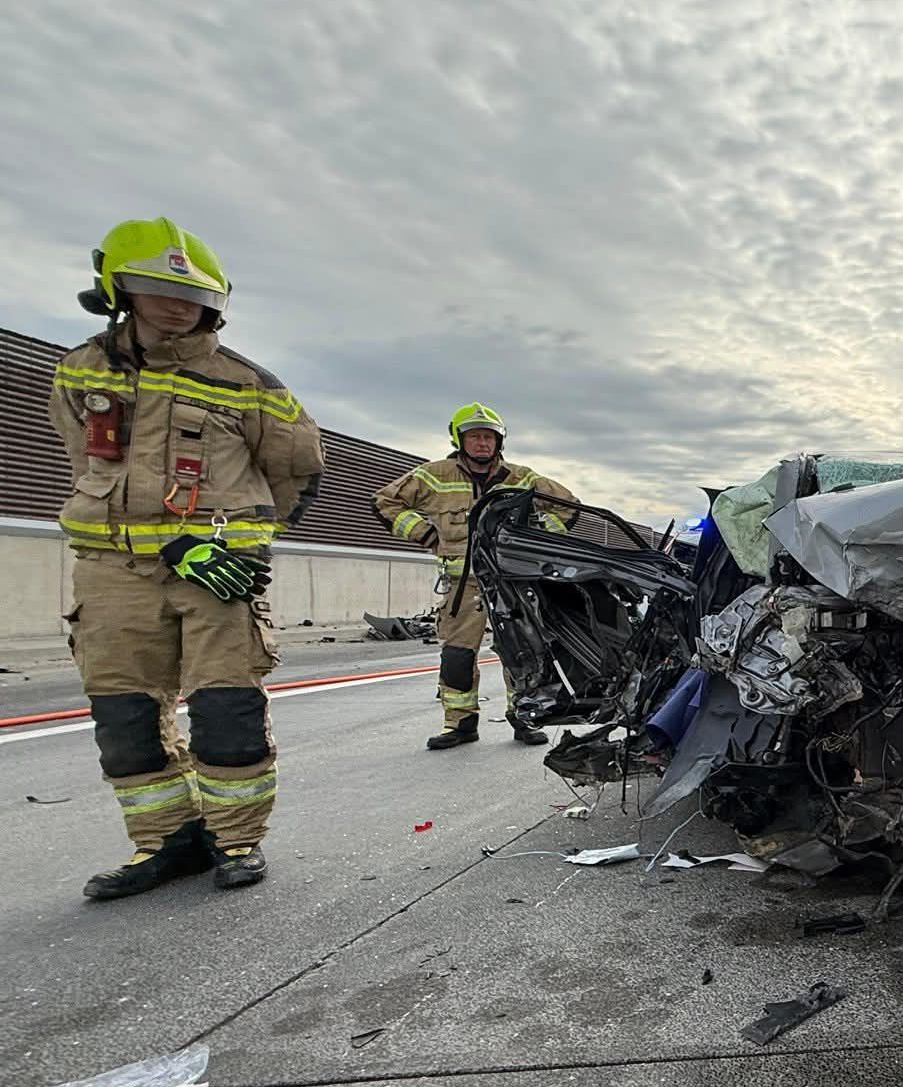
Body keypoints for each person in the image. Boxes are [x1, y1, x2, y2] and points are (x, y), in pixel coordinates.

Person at [49, 218, 325, 900]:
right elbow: (83, 461)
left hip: (213, 574)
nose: (176, 306)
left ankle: (236, 841)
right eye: (157, 289)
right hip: (112, 574)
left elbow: (295, 473)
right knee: (124, 717)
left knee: (227, 709)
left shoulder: (250, 385)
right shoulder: (81, 370)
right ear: (118, 289)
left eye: (193, 295)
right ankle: (167, 842)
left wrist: (241, 544)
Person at [372, 404, 577, 749]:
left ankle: (525, 717)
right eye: (474, 437)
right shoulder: (434, 475)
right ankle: (460, 723)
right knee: (457, 655)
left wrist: (537, 542)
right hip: (463, 586)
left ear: (499, 442)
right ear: (459, 439)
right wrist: (425, 534)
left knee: (523, 651)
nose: (482, 443)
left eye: (488, 437)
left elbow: (568, 506)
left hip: (512, 583)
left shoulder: (522, 478)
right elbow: (385, 502)